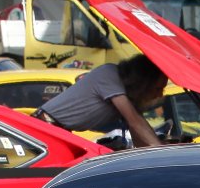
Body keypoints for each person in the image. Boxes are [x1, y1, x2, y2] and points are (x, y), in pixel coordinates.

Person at [34, 54, 168, 147]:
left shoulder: (127, 95)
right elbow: (135, 122)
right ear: (144, 83)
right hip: (45, 127)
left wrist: (154, 149)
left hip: (56, 129)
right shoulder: (110, 75)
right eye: (158, 88)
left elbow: (140, 134)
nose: (160, 94)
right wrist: (161, 151)